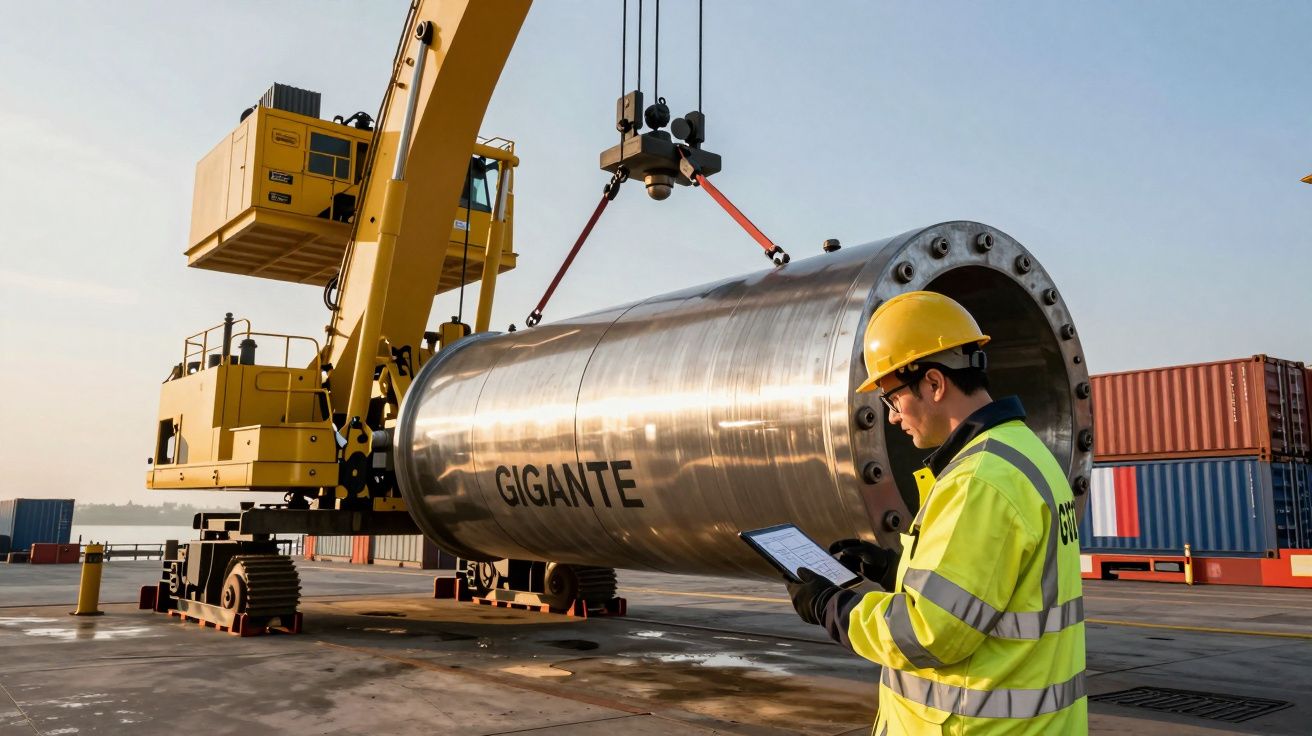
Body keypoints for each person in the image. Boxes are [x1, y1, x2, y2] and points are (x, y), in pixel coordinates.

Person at [785, 291, 1087, 735]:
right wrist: (894, 572)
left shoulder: (977, 481)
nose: (891, 418)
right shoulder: (1024, 453)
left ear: (933, 383)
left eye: (891, 399)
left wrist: (831, 606)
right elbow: (996, 588)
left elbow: (930, 634)